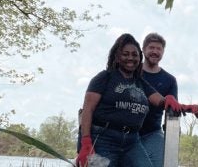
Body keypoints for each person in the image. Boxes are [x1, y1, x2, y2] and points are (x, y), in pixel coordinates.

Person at [76, 33, 183, 167]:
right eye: (125, 54)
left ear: (139, 57)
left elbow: (160, 101)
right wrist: (86, 142)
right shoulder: (104, 77)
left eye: (134, 54)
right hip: (104, 138)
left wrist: (169, 99)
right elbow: (88, 109)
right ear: (117, 56)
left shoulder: (140, 82)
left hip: (132, 141)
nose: (130, 58)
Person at [139, 33, 178, 167]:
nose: (155, 51)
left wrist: (173, 135)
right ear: (143, 49)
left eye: (159, 49)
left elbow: (172, 111)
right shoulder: (131, 71)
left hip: (153, 132)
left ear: (163, 52)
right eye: (151, 48)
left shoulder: (170, 80)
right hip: (127, 132)